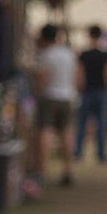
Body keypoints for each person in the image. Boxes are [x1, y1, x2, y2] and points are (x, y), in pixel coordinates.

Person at [35, 22, 77, 185]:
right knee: (67, 132)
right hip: (68, 96)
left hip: (50, 96)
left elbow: (43, 80)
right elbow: (77, 77)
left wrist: (37, 88)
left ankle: (42, 171)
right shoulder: (68, 54)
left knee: (45, 132)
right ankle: (68, 169)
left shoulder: (46, 55)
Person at [75, 24, 107, 163]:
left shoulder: (84, 54)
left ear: (89, 35)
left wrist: (80, 87)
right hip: (101, 90)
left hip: (87, 91)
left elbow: (80, 74)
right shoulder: (104, 55)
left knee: (82, 123)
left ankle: (78, 152)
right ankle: (101, 155)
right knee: (102, 124)